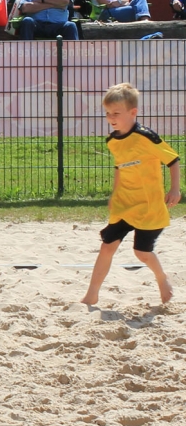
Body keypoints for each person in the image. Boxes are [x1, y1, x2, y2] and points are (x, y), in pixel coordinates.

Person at [81, 83, 180, 306]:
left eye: (116, 113)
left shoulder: (146, 137)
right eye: (107, 113)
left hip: (148, 207)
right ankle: (91, 294)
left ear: (133, 112)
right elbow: (120, 167)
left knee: (141, 253)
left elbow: (173, 160)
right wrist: (114, 193)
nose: (111, 118)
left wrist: (175, 189)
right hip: (124, 204)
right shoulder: (112, 140)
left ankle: (161, 277)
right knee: (107, 246)